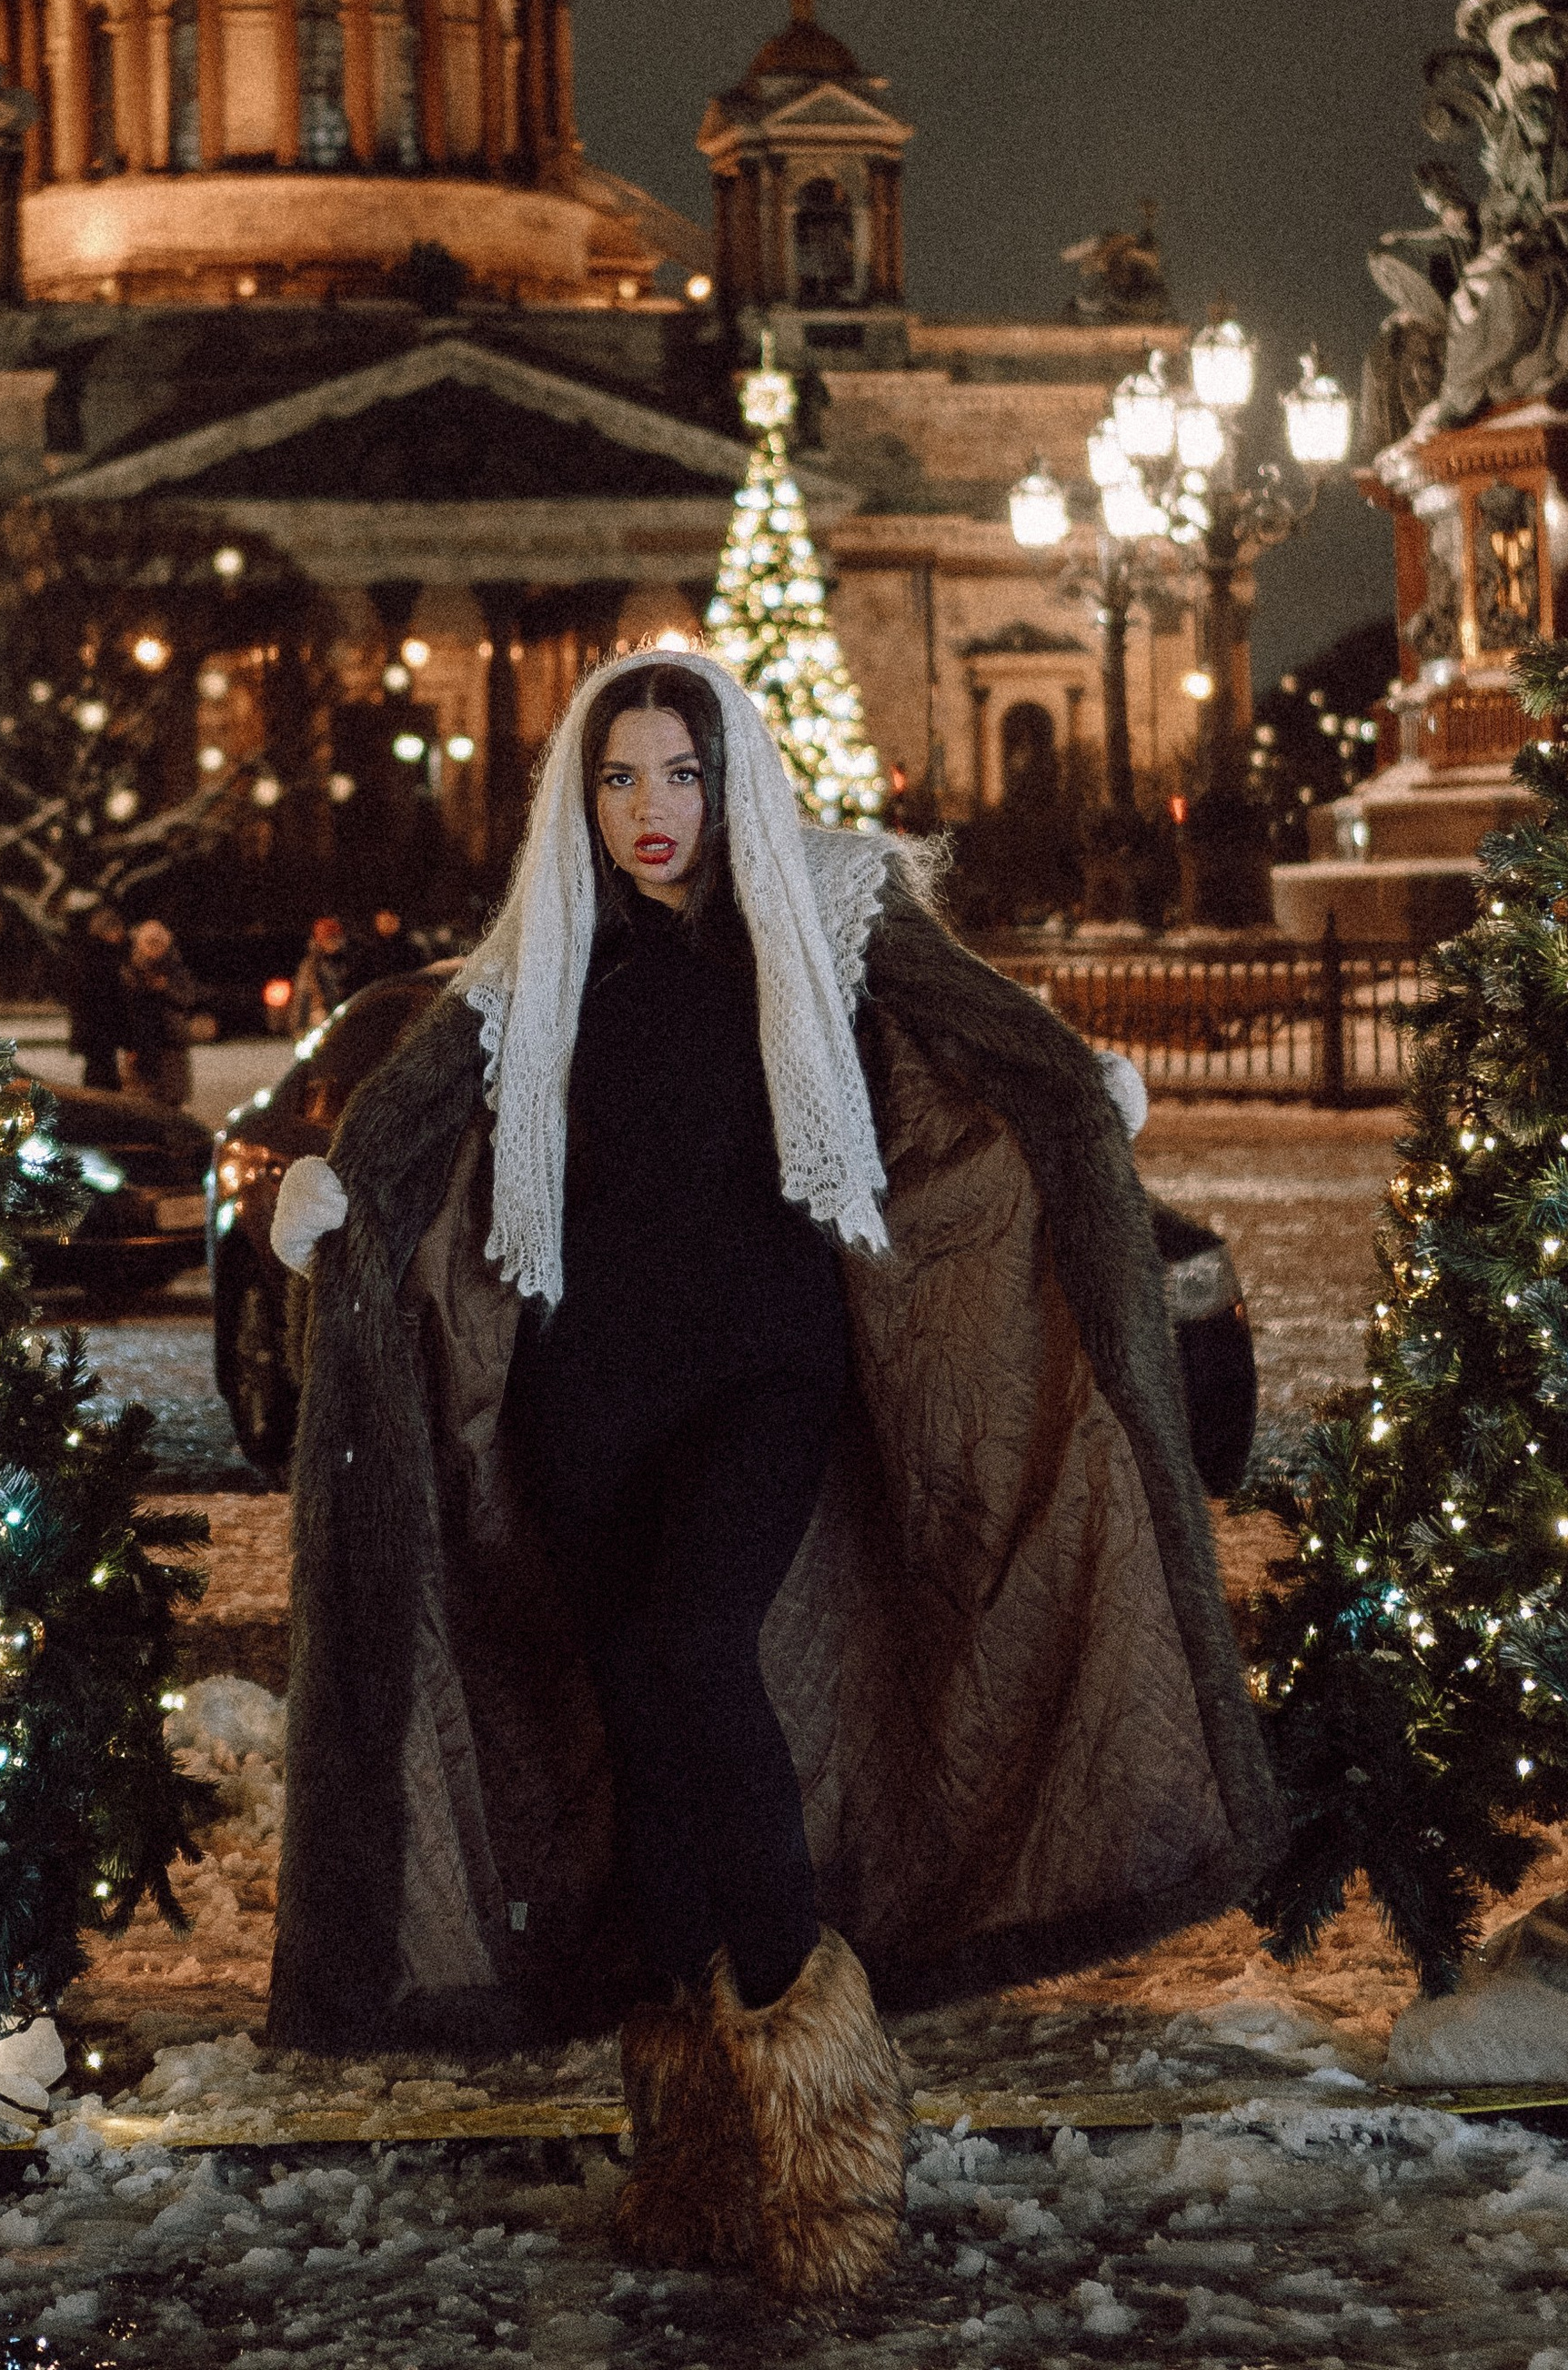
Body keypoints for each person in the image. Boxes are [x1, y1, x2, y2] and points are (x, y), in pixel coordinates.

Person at [265, 651, 1280, 2304]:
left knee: (696, 1649)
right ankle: (696, 2137)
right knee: (638, 1719)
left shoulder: (829, 904)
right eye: (618, 779)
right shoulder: (543, 949)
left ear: (730, 777)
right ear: (581, 798)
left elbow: (988, 1028)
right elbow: (410, 1107)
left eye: (679, 773)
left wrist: (1078, 1097)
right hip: (587, 1395)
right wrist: (336, 1191)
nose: (649, 811)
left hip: (763, 1372)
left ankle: (824, 2087)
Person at [117, 916, 201, 1109]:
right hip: (142, 1046)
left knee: (172, 1101)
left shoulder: (176, 969)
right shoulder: (131, 971)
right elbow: (125, 1008)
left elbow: (188, 998)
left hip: (172, 1046)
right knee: (142, 1101)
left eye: (159, 943)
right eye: (150, 943)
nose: (155, 948)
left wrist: (166, 989)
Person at [62, 901, 129, 1093]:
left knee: (96, 1073)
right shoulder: (104, 958)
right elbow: (109, 998)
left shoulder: (84, 955)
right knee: (103, 1077)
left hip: (90, 1032)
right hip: (101, 1031)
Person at [287, 911, 352, 1039]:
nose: (332, 942)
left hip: (346, 1017)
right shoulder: (310, 966)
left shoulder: (350, 962)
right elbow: (302, 998)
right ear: (319, 941)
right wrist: (298, 1029)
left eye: (335, 938)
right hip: (321, 1020)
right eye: (328, 938)